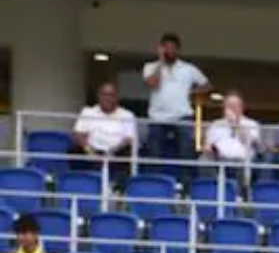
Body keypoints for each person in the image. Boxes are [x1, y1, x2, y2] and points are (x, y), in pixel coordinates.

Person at [141, 32, 210, 166]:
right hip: (157, 117)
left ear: (178, 50)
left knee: (186, 155)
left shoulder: (188, 69)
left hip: (182, 115)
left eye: (172, 47)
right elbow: (153, 84)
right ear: (161, 48)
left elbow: (207, 85)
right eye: (166, 47)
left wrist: (191, 92)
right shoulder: (150, 67)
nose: (169, 50)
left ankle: (186, 184)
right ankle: (157, 184)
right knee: (154, 156)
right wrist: (161, 61)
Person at [73, 81, 140, 168]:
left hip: (117, 153)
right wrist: (89, 150)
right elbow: (78, 134)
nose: (107, 98)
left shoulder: (127, 115)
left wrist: (112, 152)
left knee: (128, 152)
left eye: (111, 95)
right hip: (92, 152)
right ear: (98, 96)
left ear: (116, 97)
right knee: (73, 151)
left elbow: (129, 139)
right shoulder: (88, 111)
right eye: (104, 94)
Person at [203, 92, 261, 169]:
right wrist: (209, 149)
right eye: (229, 105)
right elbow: (208, 145)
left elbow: (251, 143)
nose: (232, 108)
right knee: (204, 159)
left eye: (235, 105)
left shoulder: (252, 124)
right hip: (219, 160)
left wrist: (236, 124)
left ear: (242, 107)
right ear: (224, 108)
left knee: (244, 163)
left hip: (243, 160)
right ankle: (211, 181)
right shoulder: (216, 124)